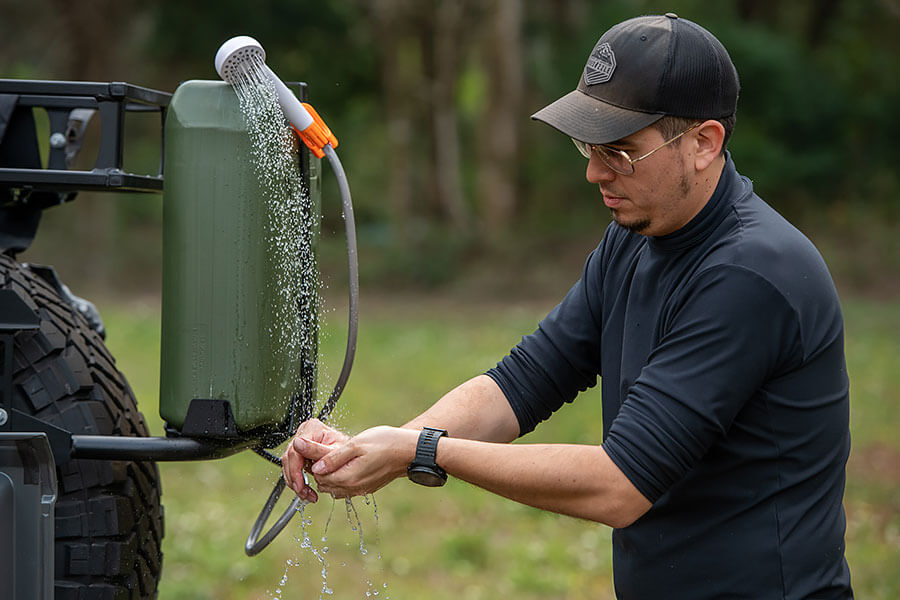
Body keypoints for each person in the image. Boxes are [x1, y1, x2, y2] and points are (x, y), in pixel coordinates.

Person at [282, 13, 853, 599]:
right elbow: (524, 381)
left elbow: (619, 485)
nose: (593, 171)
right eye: (588, 145)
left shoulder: (750, 274)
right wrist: (375, 450)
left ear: (704, 143)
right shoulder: (634, 237)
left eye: (621, 152)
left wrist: (418, 450)